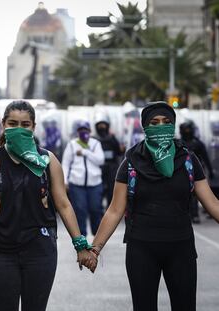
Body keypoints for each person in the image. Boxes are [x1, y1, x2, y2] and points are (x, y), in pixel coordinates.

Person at [0, 100, 92, 311]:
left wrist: (80, 244)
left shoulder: (48, 161)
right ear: (3, 124)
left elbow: (63, 204)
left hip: (40, 251)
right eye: (13, 123)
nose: (19, 129)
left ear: (33, 127)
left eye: (25, 125)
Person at [82, 101, 219, 311]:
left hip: (181, 248)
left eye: (166, 122)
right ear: (145, 127)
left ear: (173, 125)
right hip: (142, 249)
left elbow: (212, 203)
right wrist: (95, 248)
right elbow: (115, 210)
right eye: (154, 123)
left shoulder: (188, 160)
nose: (160, 126)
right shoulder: (131, 162)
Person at [62, 120, 105, 236]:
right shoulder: (72, 144)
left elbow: (100, 160)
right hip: (77, 184)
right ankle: (82, 238)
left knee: (96, 209)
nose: (83, 132)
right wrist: (65, 181)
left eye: (85, 130)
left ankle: (97, 236)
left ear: (90, 131)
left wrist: (86, 152)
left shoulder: (95, 144)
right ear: (77, 132)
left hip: (95, 184)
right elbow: (65, 164)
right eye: (81, 130)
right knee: (79, 211)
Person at [180, 120, 214, 223]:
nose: (187, 131)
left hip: (195, 172)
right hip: (181, 171)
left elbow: (205, 157)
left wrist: (210, 170)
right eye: (185, 129)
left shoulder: (198, 144)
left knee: (195, 194)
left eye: (188, 129)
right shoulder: (178, 143)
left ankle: (194, 215)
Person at [94, 116, 124, 209]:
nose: (102, 127)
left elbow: (119, 151)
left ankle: (110, 207)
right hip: (99, 167)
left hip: (112, 167)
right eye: (100, 125)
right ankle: (98, 207)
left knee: (111, 188)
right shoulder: (95, 139)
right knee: (100, 188)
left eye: (103, 124)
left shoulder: (112, 137)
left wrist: (122, 149)